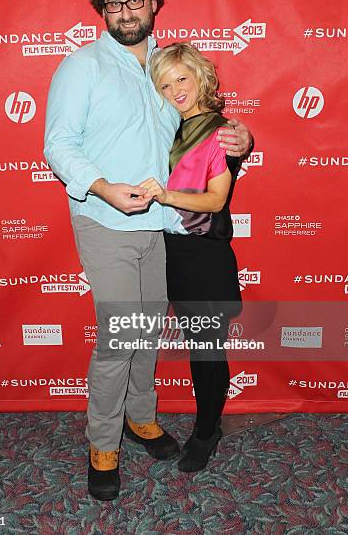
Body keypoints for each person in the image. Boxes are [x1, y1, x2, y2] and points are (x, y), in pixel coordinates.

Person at [44, 0, 252, 500]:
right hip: (105, 221)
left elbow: (203, 120)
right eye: (114, 4)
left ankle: (140, 418)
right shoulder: (81, 65)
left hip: (164, 226)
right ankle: (102, 441)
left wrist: (240, 139)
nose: (126, 11)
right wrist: (103, 186)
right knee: (119, 337)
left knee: (144, 330)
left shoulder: (166, 66)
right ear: (102, 10)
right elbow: (58, 145)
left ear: (154, 2)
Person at [141, 42, 243, 472]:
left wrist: (165, 194)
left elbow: (217, 200)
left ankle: (206, 432)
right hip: (174, 254)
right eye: (164, 84)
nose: (174, 89)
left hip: (204, 257)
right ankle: (207, 424)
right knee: (198, 347)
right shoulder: (170, 129)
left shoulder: (219, 131)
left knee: (207, 352)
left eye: (181, 78)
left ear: (201, 75)